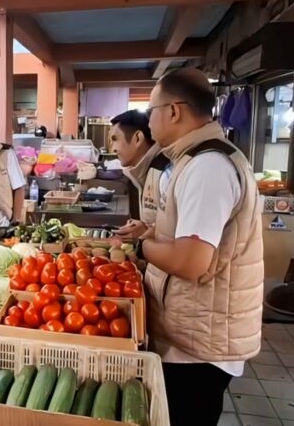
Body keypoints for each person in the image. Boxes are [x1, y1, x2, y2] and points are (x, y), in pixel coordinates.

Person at [137, 68, 264, 426]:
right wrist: (152, 232)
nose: (149, 122)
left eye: (151, 111)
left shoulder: (208, 167)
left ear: (173, 111)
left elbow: (191, 261)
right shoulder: (193, 160)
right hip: (193, 327)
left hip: (200, 342)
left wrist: (140, 247)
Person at [107, 110, 162, 235]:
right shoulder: (142, 172)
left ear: (138, 138)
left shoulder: (163, 171)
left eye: (115, 139)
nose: (113, 149)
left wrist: (145, 233)